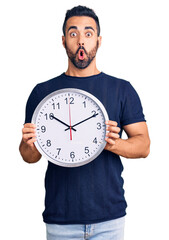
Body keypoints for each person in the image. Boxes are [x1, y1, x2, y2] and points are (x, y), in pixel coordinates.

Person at [19, 5, 150, 240]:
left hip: (109, 218)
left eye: (88, 34)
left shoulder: (121, 89)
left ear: (98, 40)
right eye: (73, 33)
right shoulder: (42, 93)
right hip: (61, 219)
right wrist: (27, 145)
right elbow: (30, 156)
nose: (81, 40)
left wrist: (111, 143)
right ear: (63, 41)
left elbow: (144, 146)